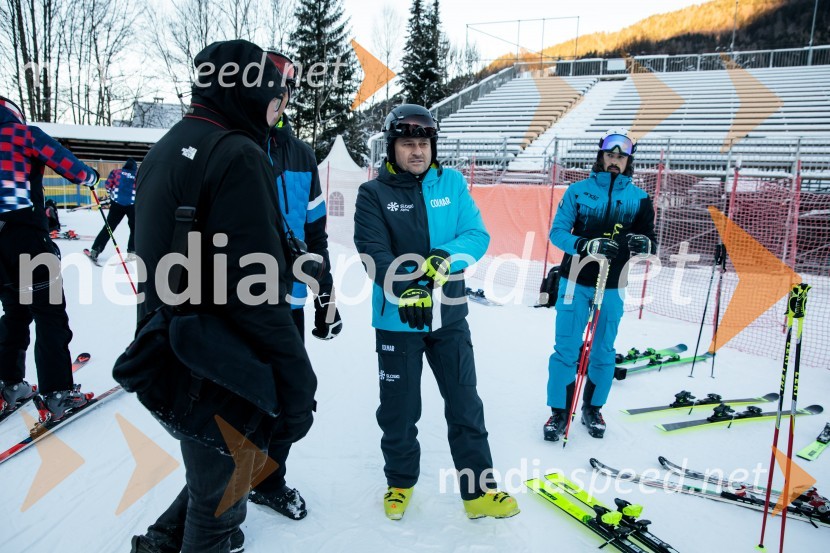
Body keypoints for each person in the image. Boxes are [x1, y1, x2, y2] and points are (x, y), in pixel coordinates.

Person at [129, 40, 317, 553]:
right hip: (219, 365)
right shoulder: (238, 153)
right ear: (252, 90)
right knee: (219, 508)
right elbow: (253, 293)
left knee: (211, 474)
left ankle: (158, 544)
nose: (279, 112)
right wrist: (297, 377)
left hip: (173, 348)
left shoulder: (168, 145)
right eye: (276, 98)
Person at [353, 104, 519, 521]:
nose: (417, 151)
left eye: (423, 143)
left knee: (465, 404)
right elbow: (373, 252)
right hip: (398, 319)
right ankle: (400, 484)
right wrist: (406, 289)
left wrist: (448, 256)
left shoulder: (453, 183)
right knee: (400, 409)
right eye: (408, 143)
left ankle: (479, 492)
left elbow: (476, 234)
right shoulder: (373, 193)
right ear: (392, 148)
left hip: (449, 317)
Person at [246, 51, 341, 522]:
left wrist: (327, 296)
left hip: (290, 302)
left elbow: (316, 233)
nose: (277, 98)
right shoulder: (228, 143)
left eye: (284, 91)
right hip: (235, 304)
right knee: (237, 397)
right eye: (269, 87)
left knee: (289, 396)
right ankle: (216, 499)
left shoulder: (301, 154)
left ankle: (268, 479)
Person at [543, 128, 657, 441]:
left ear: (628, 161)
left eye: (621, 156)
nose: (614, 161)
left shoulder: (640, 199)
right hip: (574, 280)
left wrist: (642, 242)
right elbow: (557, 233)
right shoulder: (578, 191)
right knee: (566, 348)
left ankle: (593, 409)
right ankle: (559, 412)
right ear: (601, 156)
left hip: (612, 284)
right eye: (610, 154)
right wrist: (586, 245)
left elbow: (651, 243)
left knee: (603, 351)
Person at [0, 95, 99, 422]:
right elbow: (74, 170)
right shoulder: (22, 134)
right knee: (48, 312)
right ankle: (57, 393)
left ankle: (8, 384)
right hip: (25, 233)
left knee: (14, 311)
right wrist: (92, 178)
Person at [87, 157, 137, 263]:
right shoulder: (137, 175)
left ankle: (96, 250)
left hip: (116, 204)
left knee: (109, 227)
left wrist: (111, 196)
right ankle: (132, 252)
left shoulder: (116, 172)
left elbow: (108, 185)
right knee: (134, 228)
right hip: (132, 205)